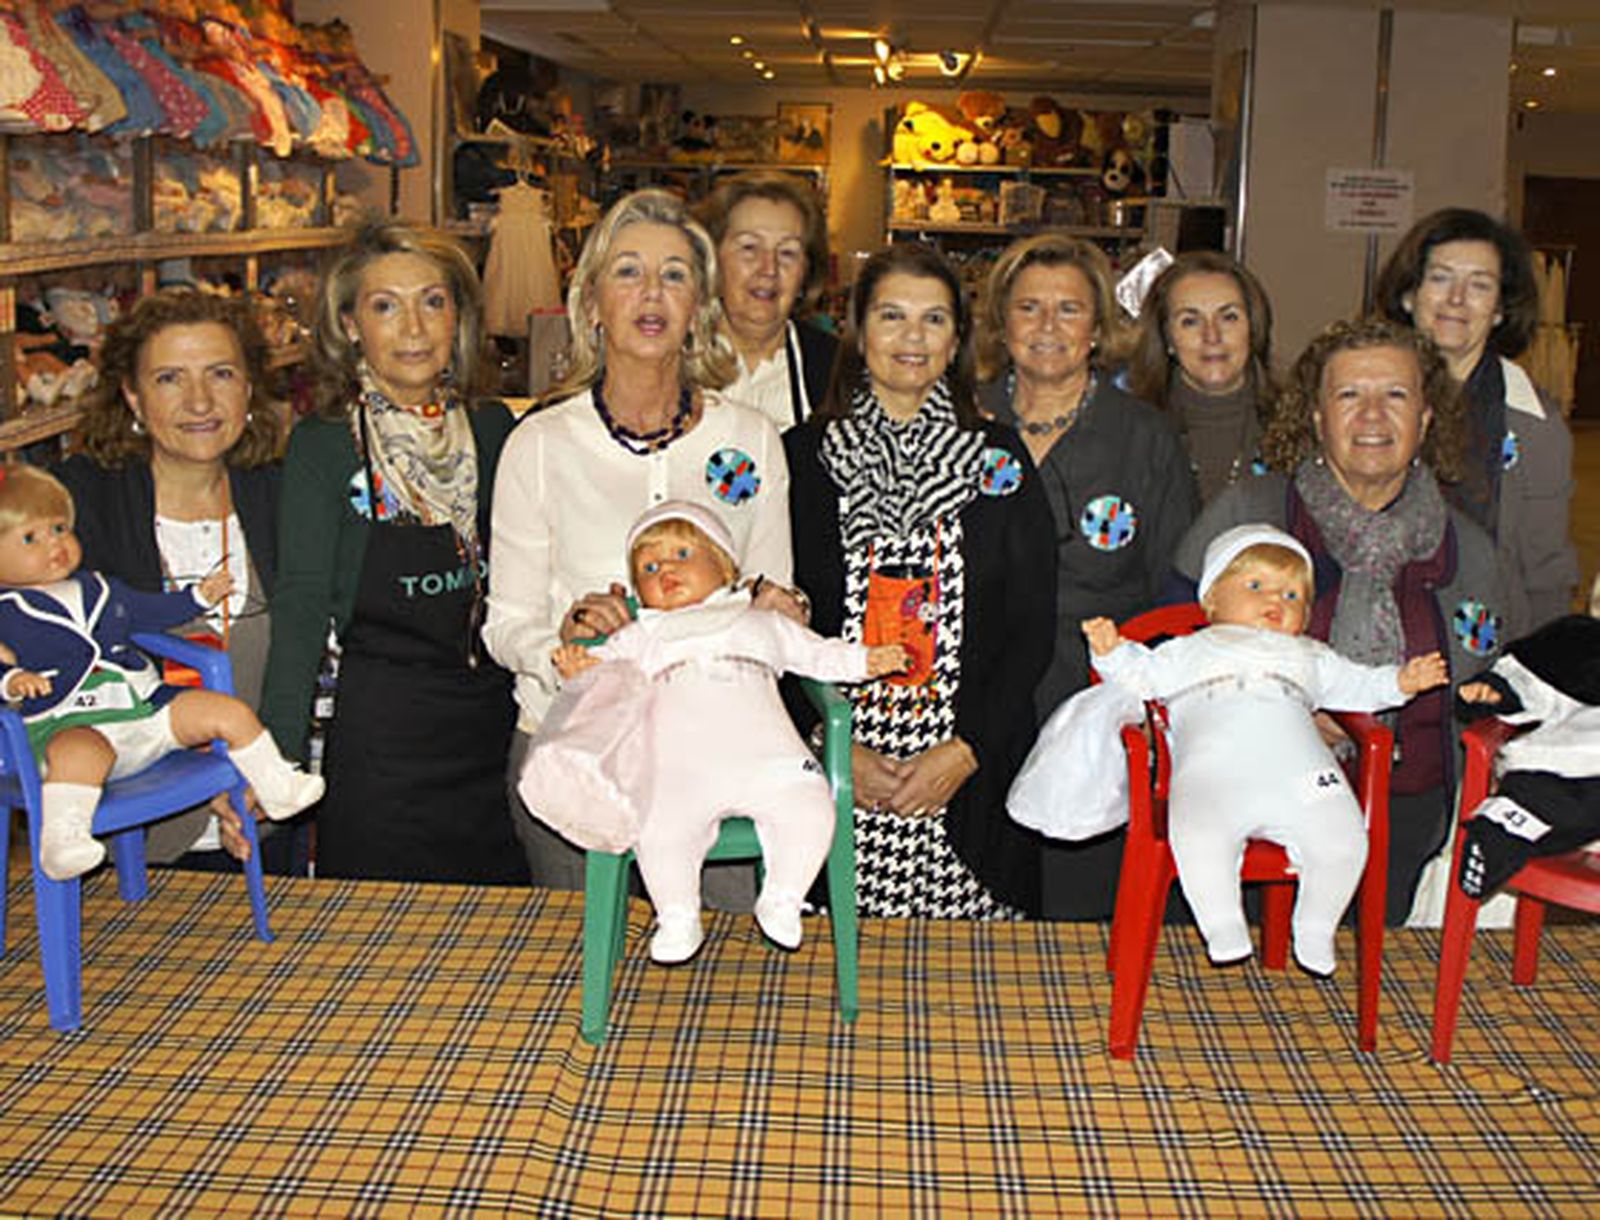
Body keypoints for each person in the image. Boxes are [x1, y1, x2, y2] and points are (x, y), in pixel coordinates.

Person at [486, 188, 797, 897]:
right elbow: (505, 624)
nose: (651, 293)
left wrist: (782, 611)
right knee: (579, 970)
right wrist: (562, 647)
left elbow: (773, 601)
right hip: (572, 747)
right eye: (627, 272)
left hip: (719, 754)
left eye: (676, 275)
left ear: (699, 311)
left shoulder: (750, 440)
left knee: (728, 966)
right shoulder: (539, 445)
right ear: (591, 303)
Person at [1172, 317, 1527, 924]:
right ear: (1315, 417)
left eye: (1395, 395)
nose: (1371, 415)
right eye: (1347, 395)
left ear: (1426, 418)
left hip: (1407, 806)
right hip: (1243, 796)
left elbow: (1501, 684)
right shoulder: (1248, 516)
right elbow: (1173, 643)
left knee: (1352, 992)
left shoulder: (1470, 551)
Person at [785, 242, 1056, 919]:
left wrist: (967, 751)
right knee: (835, 990)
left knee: (970, 1003)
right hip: (838, 776)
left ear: (957, 339)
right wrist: (834, 747)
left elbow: (1029, 630)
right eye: (891, 317)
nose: (912, 337)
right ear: (858, 330)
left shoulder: (999, 459)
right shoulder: (803, 460)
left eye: (934, 320)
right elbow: (776, 630)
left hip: (965, 779)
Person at [258, 219, 525, 884]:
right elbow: (298, 613)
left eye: (432, 301)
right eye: (385, 306)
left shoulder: (496, 431)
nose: (413, 328)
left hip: (493, 729)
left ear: (458, 317)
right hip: (384, 744)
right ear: (349, 324)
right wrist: (272, 764)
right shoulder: (325, 448)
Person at [530, 502, 906, 963]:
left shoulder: (761, 623)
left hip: (772, 763)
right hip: (681, 772)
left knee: (810, 807)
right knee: (659, 829)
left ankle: (783, 898)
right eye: (649, 567)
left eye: (682, 555)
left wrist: (867, 660)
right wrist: (579, 666)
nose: (665, 570)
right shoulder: (644, 635)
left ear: (725, 565)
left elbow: (819, 654)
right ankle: (677, 915)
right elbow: (603, 674)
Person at [1085, 524, 1447, 974]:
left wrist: (1400, 682)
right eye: (1256, 586)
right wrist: (1111, 652)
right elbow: (1142, 674)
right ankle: (1221, 922)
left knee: (1345, 835)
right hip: (1214, 776)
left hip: (1299, 777)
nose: (1276, 601)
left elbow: (1356, 683)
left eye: (1293, 596)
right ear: (1213, 599)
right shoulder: (1189, 649)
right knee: (1198, 831)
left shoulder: (1310, 655)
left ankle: (1316, 925)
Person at [974, 232, 1197, 919]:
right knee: (978, 895)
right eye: (1028, 308)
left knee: (1082, 908)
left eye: (1068, 310)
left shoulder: (1145, 437)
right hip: (974, 702)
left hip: (1095, 705)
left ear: (1098, 328)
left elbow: (1174, 594)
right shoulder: (962, 419)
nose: (1046, 328)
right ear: (1000, 322)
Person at [56, 289, 291, 871]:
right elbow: (67, 685)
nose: (199, 400)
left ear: (249, 387)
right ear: (132, 395)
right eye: (169, 379)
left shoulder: (281, 494)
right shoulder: (80, 509)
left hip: (263, 824)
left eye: (220, 373)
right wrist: (198, 779)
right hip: (126, 839)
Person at [0, 467, 321, 881]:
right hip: (68, 722)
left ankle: (278, 786)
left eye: (60, 528)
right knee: (81, 752)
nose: (56, 544)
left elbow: (151, 609)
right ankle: (64, 838)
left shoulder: (100, 586)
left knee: (224, 711)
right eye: (31, 538)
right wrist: (12, 679)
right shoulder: (6, 611)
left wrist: (195, 597)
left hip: (141, 710)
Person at [1376, 208, 1579, 623]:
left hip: (1488, 642)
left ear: (1500, 309)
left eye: (1479, 285)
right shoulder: (1357, 396)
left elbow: (1545, 570)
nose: (1456, 299)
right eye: (1440, 277)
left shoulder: (1533, 422)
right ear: (1409, 294)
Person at [1452, 610, 1599, 900]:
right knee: (1554, 799)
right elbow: (1529, 679)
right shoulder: (1583, 640)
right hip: (1564, 772)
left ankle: (1510, 832)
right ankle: (1501, 832)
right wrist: (1498, 692)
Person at [1127, 250, 1280, 503]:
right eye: (1190, 321)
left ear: (1254, 328)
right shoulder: (1131, 433)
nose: (1212, 336)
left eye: (1229, 317)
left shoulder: (1298, 428)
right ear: (1167, 339)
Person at [694, 171, 837, 429]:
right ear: (712, 260)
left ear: (806, 271)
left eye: (787, 253)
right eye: (749, 247)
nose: (768, 268)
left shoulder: (836, 369)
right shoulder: (672, 358)